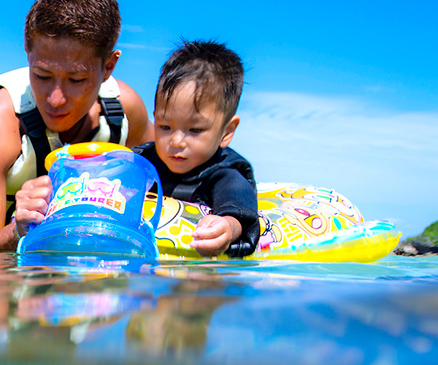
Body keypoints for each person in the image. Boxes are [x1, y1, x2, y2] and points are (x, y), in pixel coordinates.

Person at [0, 0, 154, 251]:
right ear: (27, 52)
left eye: (76, 80)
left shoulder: (125, 112)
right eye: (42, 75)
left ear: (108, 67)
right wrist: (19, 229)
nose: (56, 99)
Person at [14, 40, 259, 257]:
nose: (176, 141)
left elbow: (238, 211)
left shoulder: (225, 175)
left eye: (194, 130)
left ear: (227, 132)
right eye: (165, 126)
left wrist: (228, 226)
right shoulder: (140, 161)